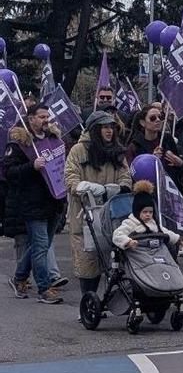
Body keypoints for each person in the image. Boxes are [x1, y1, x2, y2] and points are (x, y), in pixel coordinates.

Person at [5, 105, 67, 304]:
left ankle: (20, 277)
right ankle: (44, 288)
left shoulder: (53, 140)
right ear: (30, 119)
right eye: (41, 117)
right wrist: (31, 166)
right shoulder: (19, 144)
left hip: (54, 201)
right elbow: (9, 172)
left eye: (47, 116)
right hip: (32, 203)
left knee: (41, 245)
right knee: (40, 246)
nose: (46, 120)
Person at [65, 111, 132, 296]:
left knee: (116, 260)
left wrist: (120, 188)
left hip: (112, 214)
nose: (109, 131)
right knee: (88, 260)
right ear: (95, 129)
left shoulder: (117, 150)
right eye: (105, 127)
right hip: (85, 215)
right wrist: (85, 187)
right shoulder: (78, 151)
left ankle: (115, 300)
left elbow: (126, 177)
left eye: (111, 127)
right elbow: (70, 178)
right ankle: (89, 301)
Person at [112, 180, 183, 250]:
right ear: (137, 212)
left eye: (151, 212)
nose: (148, 214)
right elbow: (118, 235)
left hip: (156, 252)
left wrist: (179, 241)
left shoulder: (153, 223)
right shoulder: (130, 223)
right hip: (138, 253)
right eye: (145, 212)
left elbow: (165, 232)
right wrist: (128, 242)